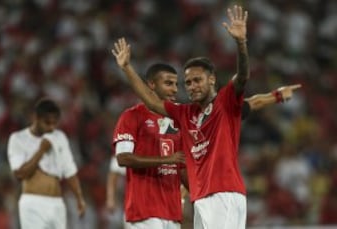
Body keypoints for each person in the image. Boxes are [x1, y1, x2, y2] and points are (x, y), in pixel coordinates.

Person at [112, 5, 299, 229]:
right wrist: (126, 68)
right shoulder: (185, 113)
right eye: (188, 82)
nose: (191, 86)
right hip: (200, 198)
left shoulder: (224, 102)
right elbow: (152, 101)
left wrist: (240, 43)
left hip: (224, 193)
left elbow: (242, 78)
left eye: (197, 80)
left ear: (211, 80)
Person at [112, 63, 189, 229]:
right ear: (152, 85)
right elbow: (123, 158)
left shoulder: (179, 120)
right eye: (168, 83)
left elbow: (182, 168)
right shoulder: (131, 116)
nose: (175, 89)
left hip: (173, 213)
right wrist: (167, 159)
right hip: (144, 212)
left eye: (176, 84)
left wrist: (201, 195)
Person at [7, 98, 86, 229]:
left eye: (55, 123)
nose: (51, 127)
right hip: (33, 204)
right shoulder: (18, 139)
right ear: (36, 118)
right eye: (47, 123)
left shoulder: (59, 137)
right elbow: (20, 174)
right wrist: (41, 151)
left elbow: (69, 170)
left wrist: (79, 198)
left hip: (57, 204)